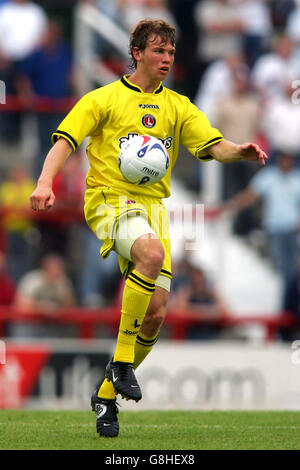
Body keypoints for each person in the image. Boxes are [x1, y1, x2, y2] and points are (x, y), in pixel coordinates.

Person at [29, 19, 268, 438]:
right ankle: (122, 364)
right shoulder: (102, 99)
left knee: (156, 315)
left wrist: (240, 151)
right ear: (137, 52)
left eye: (172, 53)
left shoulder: (177, 105)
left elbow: (213, 145)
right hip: (108, 199)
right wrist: (45, 181)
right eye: (159, 51)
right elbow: (65, 140)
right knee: (152, 255)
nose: (167, 60)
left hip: (153, 209)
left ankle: (105, 396)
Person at [222, 152, 300, 288]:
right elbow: (251, 194)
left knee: (290, 267)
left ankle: (288, 296)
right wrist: (233, 205)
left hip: (292, 229)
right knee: (283, 267)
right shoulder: (270, 176)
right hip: (275, 228)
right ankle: (286, 296)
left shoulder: (296, 178)